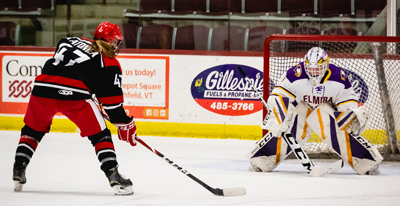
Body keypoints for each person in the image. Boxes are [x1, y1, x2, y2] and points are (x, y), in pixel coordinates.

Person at [12, 22, 138, 195]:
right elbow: (112, 104)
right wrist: (125, 123)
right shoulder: (109, 62)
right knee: (100, 135)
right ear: (108, 41)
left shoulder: (69, 40)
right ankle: (114, 176)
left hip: (42, 89)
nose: (116, 46)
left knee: (32, 131)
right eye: (115, 42)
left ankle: (18, 168)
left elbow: (67, 68)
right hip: (74, 96)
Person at [248, 47, 383, 175]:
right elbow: (279, 95)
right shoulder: (295, 73)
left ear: (326, 65)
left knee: (340, 130)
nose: (314, 72)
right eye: (311, 69)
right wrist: (280, 115)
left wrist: (350, 115)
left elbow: (347, 102)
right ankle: (262, 160)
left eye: (318, 69)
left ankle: (367, 163)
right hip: (302, 107)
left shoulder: (339, 77)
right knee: (286, 129)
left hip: (326, 110)